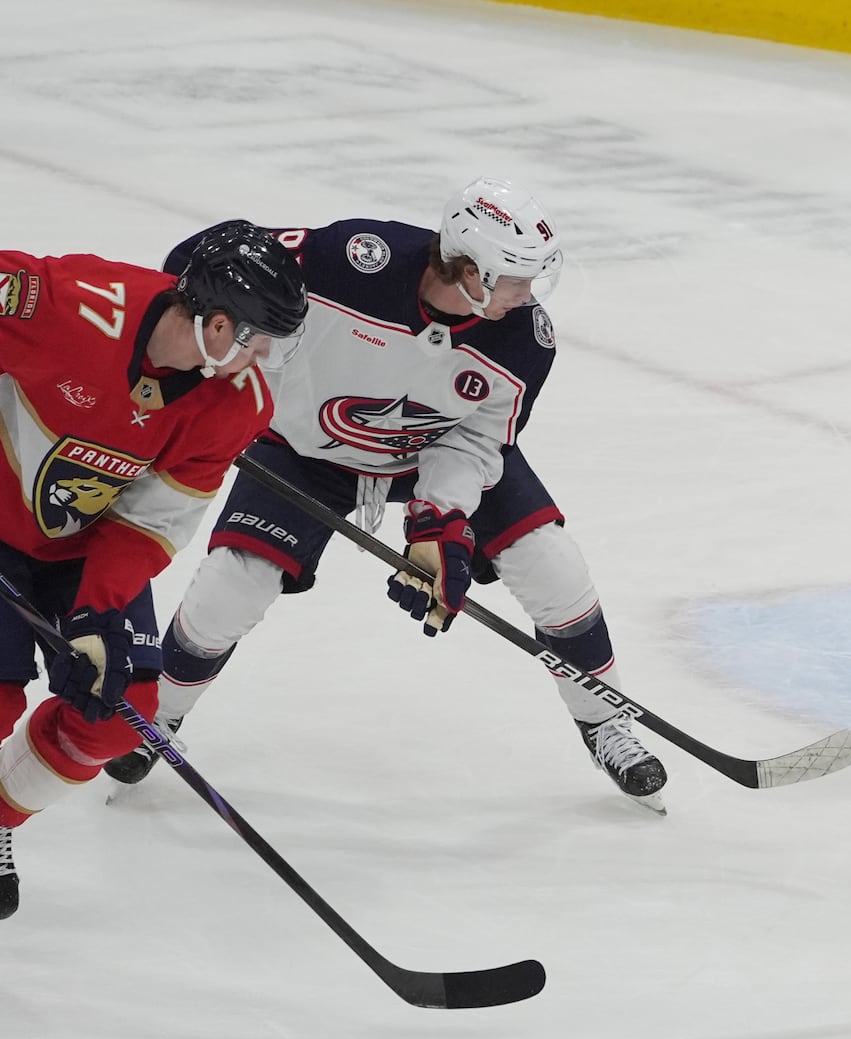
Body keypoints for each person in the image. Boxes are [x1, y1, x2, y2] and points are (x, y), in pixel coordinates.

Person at [103, 177, 669, 812]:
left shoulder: (523, 339)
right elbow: (221, 262)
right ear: (465, 268)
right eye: (513, 278)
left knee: (552, 563)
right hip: (302, 449)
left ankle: (604, 719)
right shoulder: (354, 258)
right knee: (230, 589)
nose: (526, 296)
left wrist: (440, 524)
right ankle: (157, 717)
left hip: (431, 454)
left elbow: (477, 444)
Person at [0, 221, 309, 918]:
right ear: (218, 323)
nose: (261, 358)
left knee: (118, 718)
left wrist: (97, 612)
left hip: (79, 549)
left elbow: (151, 520)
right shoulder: (70, 302)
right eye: (258, 339)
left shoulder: (238, 403)